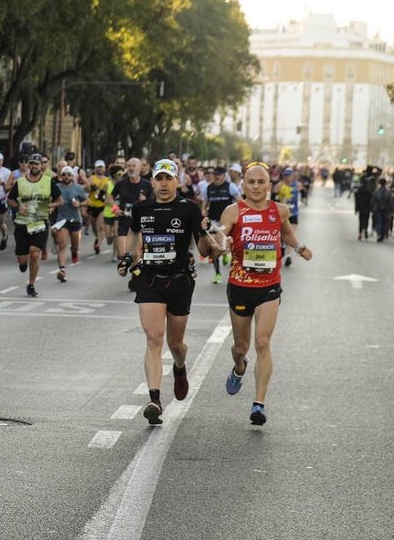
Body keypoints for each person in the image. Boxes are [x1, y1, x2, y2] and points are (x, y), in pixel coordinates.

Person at [117, 159, 223, 426]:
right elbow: (133, 232)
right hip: (150, 279)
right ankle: (154, 400)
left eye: (168, 179)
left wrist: (213, 245)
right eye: (159, 179)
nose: (163, 184)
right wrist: (128, 257)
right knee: (154, 338)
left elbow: (203, 250)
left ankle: (179, 366)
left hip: (180, 281)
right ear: (152, 181)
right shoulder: (143, 208)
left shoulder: (189, 209)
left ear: (177, 181)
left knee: (175, 344)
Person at [216, 161, 312, 426]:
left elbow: (289, 234)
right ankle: (239, 367)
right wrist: (221, 243)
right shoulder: (233, 211)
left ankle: (259, 404)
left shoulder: (279, 211)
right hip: (240, 286)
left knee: (262, 342)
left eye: (261, 182)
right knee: (241, 347)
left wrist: (300, 247)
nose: (256, 187)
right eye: (251, 182)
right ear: (243, 185)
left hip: (268, 286)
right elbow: (221, 237)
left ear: (269, 186)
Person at [6, 153, 62, 297]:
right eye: (31, 164)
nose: (34, 166)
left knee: (35, 252)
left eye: (36, 164)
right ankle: (23, 264)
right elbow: (10, 199)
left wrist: (52, 205)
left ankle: (31, 284)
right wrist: (19, 207)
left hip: (40, 222)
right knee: (23, 258)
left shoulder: (49, 182)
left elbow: (60, 200)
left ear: (41, 166)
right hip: (22, 223)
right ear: (29, 165)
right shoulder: (20, 182)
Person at [112, 157, 154, 262]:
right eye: (129, 166)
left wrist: (145, 201)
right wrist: (115, 208)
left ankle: (135, 276)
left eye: (134, 166)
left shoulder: (147, 185)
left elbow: (154, 203)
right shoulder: (121, 184)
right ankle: (133, 270)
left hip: (140, 223)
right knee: (122, 254)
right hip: (124, 221)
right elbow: (109, 198)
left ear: (140, 169)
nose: (131, 168)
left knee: (136, 255)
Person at [53, 166, 86, 282]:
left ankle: (74, 252)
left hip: (75, 219)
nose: (66, 177)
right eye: (64, 175)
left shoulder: (78, 188)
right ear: (61, 176)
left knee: (75, 245)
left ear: (72, 176)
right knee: (62, 244)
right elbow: (51, 198)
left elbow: (87, 200)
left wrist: (79, 204)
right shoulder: (57, 187)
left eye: (69, 174)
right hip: (62, 219)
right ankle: (62, 269)